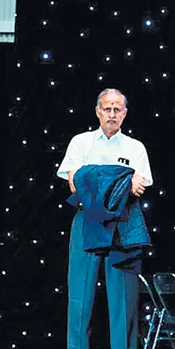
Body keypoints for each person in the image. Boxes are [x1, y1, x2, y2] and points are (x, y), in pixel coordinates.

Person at [57, 88, 153, 349]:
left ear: (124, 113)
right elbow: (75, 184)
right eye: (107, 108)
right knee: (80, 298)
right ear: (98, 111)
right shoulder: (81, 142)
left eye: (117, 109)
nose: (112, 114)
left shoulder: (135, 147)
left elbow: (139, 187)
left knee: (125, 300)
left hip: (124, 221)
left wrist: (93, 175)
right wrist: (122, 179)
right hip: (88, 220)